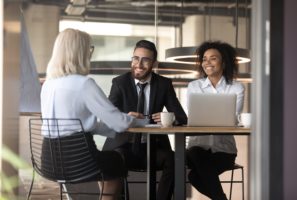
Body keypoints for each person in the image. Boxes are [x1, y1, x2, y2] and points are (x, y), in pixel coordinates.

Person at [41, 28, 148, 200]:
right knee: (115, 160)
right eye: (89, 48)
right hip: (78, 161)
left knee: (108, 162)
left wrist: (120, 122)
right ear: (81, 52)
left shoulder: (48, 85)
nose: (90, 53)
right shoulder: (84, 84)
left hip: (48, 161)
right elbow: (119, 123)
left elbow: (81, 126)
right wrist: (138, 121)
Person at [103, 40, 187, 200]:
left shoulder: (164, 84)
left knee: (176, 159)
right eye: (135, 58)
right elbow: (108, 114)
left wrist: (169, 118)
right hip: (123, 146)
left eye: (145, 60)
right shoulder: (119, 83)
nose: (139, 64)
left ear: (154, 63)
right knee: (114, 159)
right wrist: (126, 117)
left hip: (153, 147)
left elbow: (181, 117)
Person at [186, 41, 245, 200]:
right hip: (196, 150)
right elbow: (193, 117)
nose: (207, 63)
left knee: (194, 177)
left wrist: (208, 118)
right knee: (196, 152)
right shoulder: (193, 86)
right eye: (204, 59)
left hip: (224, 151)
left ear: (224, 63)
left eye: (213, 58)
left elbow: (231, 119)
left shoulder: (236, 87)